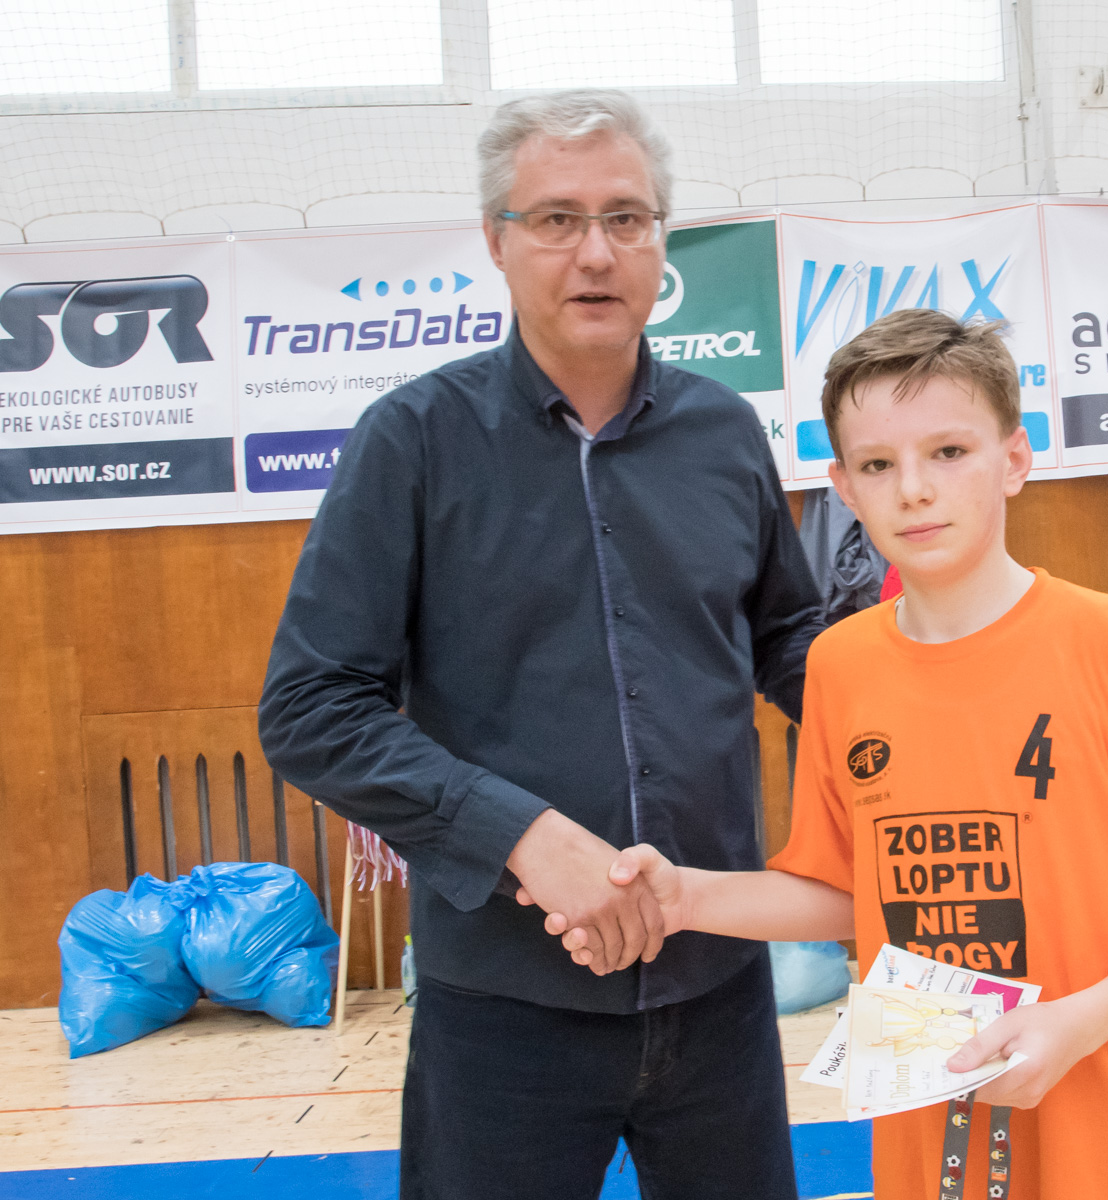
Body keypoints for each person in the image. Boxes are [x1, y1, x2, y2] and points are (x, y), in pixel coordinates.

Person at [544, 309, 1108, 1199]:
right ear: (844, 486)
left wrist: (1075, 1024)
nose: (913, 490)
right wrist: (684, 897)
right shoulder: (841, 665)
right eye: (879, 465)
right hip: (931, 1151)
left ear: (1014, 458)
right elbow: (853, 890)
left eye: (948, 452)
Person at [257, 90, 823, 1199]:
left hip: (717, 994)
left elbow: (790, 642)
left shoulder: (725, 432)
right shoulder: (412, 441)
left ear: (661, 239)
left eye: (627, 217)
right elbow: (312, 707)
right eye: (558, 219)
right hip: (503, 1014)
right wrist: (517, 833)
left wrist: (938, 697)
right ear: (497, 240)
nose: (596, 252)